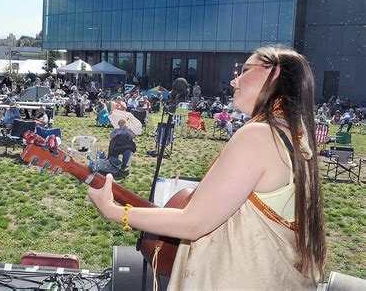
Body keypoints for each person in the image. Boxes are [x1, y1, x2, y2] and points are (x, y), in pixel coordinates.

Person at [88, 46, 325, 289]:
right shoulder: (293, 135)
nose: (235, 80)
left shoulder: (258, 135)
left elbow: (192, 223)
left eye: (245, 70)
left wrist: (113, 210)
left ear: (275, 74)